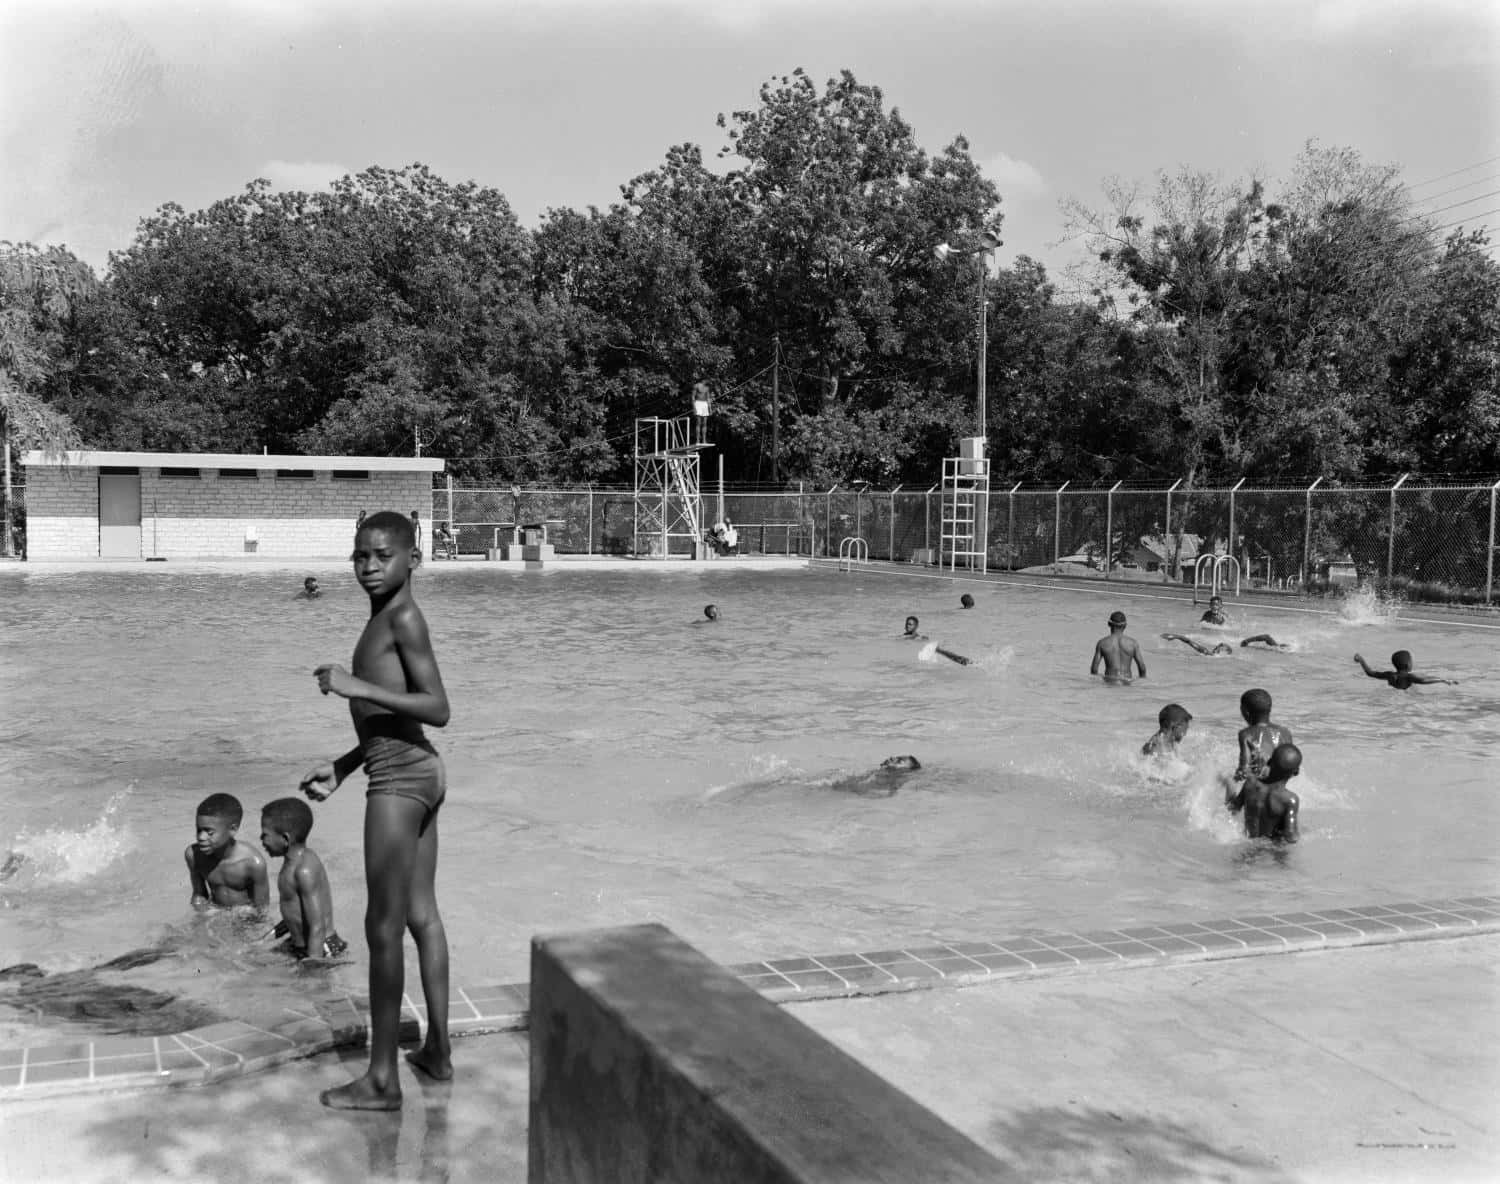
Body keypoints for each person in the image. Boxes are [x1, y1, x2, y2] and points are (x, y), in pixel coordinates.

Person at [300, 509, 452, 1109]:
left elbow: (437, 706)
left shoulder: (404, 617)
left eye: (382, 555)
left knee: (381, 927)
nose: (368, 566)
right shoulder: (384, 617)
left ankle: (382, 1081)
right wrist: (343, 765)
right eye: (359, 556)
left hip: (400, 782)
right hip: (414, 769)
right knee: (421, 917)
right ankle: (436, 1054)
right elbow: (395, 724)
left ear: (413, 559)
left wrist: (353, 685)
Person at [260, 798, 348, 961]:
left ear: (285, 839)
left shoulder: (304, 870)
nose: (261, 840)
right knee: (253, 961)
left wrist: (313, 966)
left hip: (321, 948)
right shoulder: (291, 864)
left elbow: (317, 925)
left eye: (265, 835)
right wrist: (263, 941)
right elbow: (295, 916)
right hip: (301, 945)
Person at [185, 793, 270, 909]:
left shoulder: (253, 864)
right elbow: (199, 894)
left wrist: (245, 918)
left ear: (232, 829)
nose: (201, 837)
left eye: (209, 832)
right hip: (215, 912)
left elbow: (262, 910)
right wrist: (202, 910)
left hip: (245, 918)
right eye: (198, 830)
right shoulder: (194, 855)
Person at [1227, 742, 1301, 843]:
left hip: (1248, 841)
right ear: (1296, 772)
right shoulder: (1290, 800)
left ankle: (1228, 783)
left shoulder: (1250, 784)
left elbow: (1233, 809)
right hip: (1270, 847)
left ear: (1269, 762)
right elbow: (1290, 837)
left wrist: (1230, 787)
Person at [1233, 688, 1292, 782]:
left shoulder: (1246, 734)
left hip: (1260, 787)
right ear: (1270, 709)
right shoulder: (1285, 732)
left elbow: (1244, 769)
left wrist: (1231, 781)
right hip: (1280, 785)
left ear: (1245, 712)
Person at [1353, 650, 1458, 690]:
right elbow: (1423, 680)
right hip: (1405, 696)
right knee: (1422, 676)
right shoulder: (1409, 677)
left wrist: (1361, 660)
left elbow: (1370, 673)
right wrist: (1442, 680)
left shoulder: (1389, 675)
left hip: (1393, 693)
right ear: (1408, 665)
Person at [1091, 610, 1147, 683]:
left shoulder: (1102, 643)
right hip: (1127, 682)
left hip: (1110, 682)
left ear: (1109, 624)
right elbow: (1142, 667)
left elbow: (1094, 669)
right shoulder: (1133, 643)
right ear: (1125, 625)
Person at [1161, 632, 1291, 656]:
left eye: (1220, 646)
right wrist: (1176, 636)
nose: (1218, 646)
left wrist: (1176, 636)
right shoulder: (1208, 654)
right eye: (1219, 646)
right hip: (1248, 648)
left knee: (1270, 643)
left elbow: (1190, 642)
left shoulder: (1208, 653)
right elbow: (1190, 642)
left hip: (1246, 647)